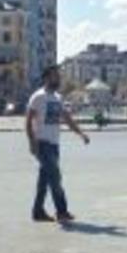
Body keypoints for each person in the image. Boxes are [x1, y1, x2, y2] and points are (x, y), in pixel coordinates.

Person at [26, 65, 90, 223]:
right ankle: (62, 211)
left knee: (44, 180)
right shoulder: (38, 97)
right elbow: (28, 121)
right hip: (42, 143)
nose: (59, 79)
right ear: (47, 78)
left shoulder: (57, 97)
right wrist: (32, 142)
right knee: (55, 177)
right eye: (55, 76)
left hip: (54, 144)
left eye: (58, 76)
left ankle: (38, 212)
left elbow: (66, 118)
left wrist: (80, 133)